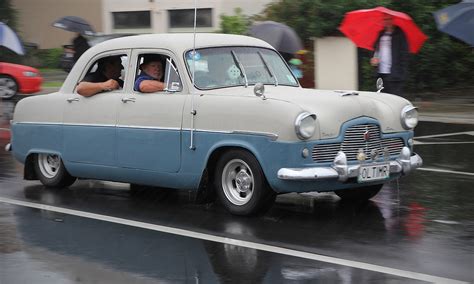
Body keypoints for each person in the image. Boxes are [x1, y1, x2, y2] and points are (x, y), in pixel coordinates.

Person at [370, 14, 409, 96]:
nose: (387, 21)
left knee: (394, 99)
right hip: (380, 74)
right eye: (385, 19)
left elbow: (404, 55)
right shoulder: (380, 34)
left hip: (394, 74)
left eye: (389, 19)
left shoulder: (399, 34)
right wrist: (374, 59)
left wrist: (401, 72)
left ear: (393, 20)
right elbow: (376, 50)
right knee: (381, 99)